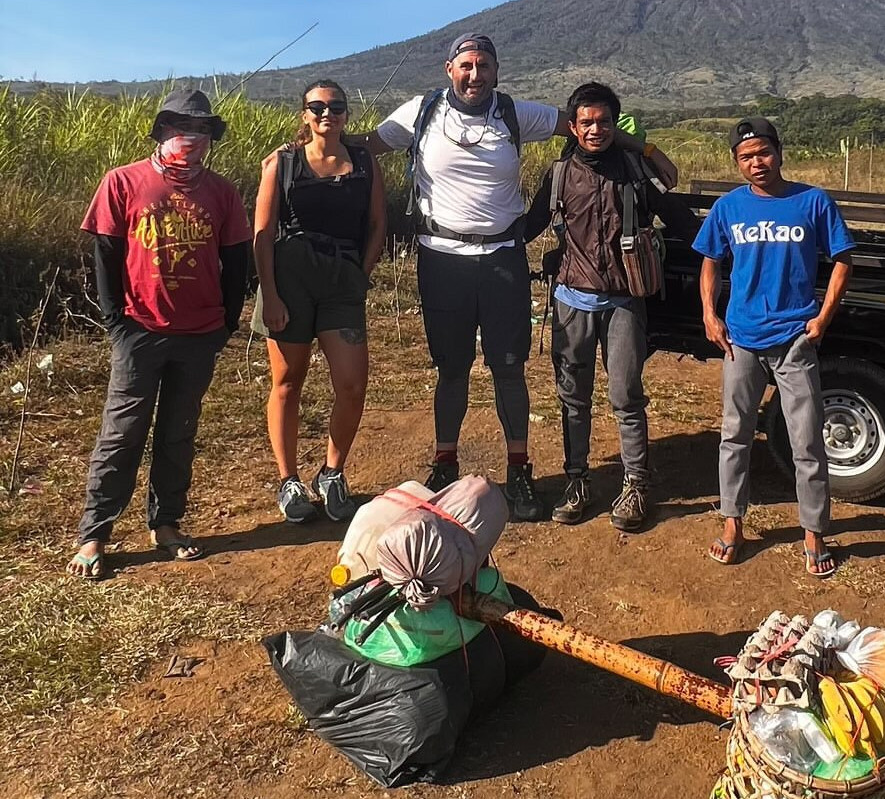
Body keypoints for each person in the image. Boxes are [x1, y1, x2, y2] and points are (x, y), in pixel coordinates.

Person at [348, 33, 670, 521]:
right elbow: (368, 145)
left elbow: (585, 125)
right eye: (466, 65)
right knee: (451, 369)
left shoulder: (516, 113)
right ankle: (444, 464)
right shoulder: (421, 111)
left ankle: (519, 471)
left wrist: (648, 149)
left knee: (508, 368)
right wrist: (308, 146)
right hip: (441, 259)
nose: (475, 74)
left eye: (484, 66)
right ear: (449, 69)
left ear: (497, 71)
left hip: (502, 258)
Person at [67, 90, 251, 580]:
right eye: (181, 127)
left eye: (202, 129)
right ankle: (95, 533)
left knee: (178, 431)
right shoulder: (122, 181)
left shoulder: (222, 192)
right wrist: (116, 321)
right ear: (162, 130)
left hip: (200, 333)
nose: (191, 137)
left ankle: (166, 523)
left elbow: (236, 262)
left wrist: (227, 323)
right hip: (139, 330)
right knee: (122, 432)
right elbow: (106, 255)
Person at [525, 83, 701, 531]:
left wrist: (728, 251)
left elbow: (679, 217)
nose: (595, 129)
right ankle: (576, 481)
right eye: (586, 122)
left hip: (624, 302)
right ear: (572, 127)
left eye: (604, 121)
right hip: (571, 301)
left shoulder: (637, 171)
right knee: (573, 398)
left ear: (615, 125)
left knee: (626, 396)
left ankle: (636, 484)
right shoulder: (559, 175)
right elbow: (530, 225)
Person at [694, 116, 855, 577]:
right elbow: (710, 261)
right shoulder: (729, 207)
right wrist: (709, 314)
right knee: (734, 435)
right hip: (740, 340)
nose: (756, 162)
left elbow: (843, 259)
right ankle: (732, 522)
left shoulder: (813, 201)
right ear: (737, 162)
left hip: (794, 340)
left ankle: (814, 531)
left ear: (779, 153)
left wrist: (823, 317)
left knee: (807, 440)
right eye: (746, 157)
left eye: (763, 152)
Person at [252, 80, 386, 523]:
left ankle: (332, 472)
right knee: (288, 381)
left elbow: (377, 225)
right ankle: (288, 480)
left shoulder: (364, 163)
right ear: (304, 115)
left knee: (352, 384)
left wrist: (361, 275)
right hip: (289, 281)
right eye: (317, 107)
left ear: (347, 114)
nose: (327, 113)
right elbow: (263, 235)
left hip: (342, 281)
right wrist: (270, 294)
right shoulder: (282, 163)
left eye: (336, 106)